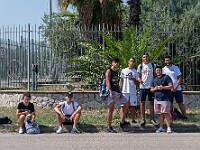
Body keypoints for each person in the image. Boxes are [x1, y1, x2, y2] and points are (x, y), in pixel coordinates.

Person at [106, 57, 129, 132]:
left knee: (126, 103)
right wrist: (110, 92)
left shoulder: (116, 72)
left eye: (117, 62)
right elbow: (108, 82)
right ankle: (109, 127)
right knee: (110, 109)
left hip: (117, 92)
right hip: (112, 92)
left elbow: (117, 83)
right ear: (112, 63)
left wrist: (121, 92)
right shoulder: (109, 71)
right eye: (115, 62)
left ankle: (122, 121)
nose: (116, 63)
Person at [162, 55, 188, 119]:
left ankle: (185, 116)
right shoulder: (163, 69)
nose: (167, 61)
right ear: (164, 61)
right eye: (166, 60)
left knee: (180, 103)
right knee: (170, 103)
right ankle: (171, 117)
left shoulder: (175, 68)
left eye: (168, 60)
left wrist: (176, 87)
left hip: (177, 89)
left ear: (170, 60)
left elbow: (179, 78)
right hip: (168, 90)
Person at [150, 65, 173, 133]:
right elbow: (151, 89)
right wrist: (155, 88)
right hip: (157, 98)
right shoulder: (154, 79)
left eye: (159, 70)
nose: (158, 71)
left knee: (166, 113)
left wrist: (162, 87)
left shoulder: (166, 77)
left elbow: (171, 86)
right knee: (159, 114)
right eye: (156, 70)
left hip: (165, 98)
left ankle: (168, 127)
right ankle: (161, 127)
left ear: (161, 71)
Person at [137, 52, 157, 126]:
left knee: (151, 103)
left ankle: (152, 119)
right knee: (142, 103)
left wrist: (154, 85)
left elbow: (155, 76)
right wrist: (139, 80)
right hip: (142, 87)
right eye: (144, 57)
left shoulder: (153, 65)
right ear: (142, 58)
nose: (145, 58)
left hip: (150, 87)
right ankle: (143, 119)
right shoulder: (140, 66)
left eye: (146, 57)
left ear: (149, 57)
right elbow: (138, 76)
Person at [120, 56, 139, 123]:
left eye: (133, 61)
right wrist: (120, 90)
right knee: (123, 106)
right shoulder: (124, 70)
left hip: (133, 91)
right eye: (130, 61)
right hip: (125, 91)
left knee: (133, 106)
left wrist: (134, 79)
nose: (131, 63)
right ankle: (122, 120)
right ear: (128, 62)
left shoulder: (135, 71)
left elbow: (137, 83)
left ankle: (133, 119)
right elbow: (121, 80)